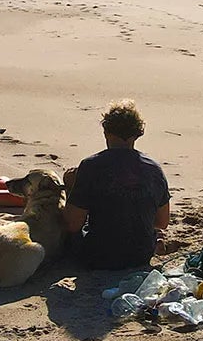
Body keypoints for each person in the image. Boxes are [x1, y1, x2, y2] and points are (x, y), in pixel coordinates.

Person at [63, 100, 171, 270]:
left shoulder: (91, 166)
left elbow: (72, 224)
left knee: (68, 231)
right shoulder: (154, 169)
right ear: (137, 134)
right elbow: (162, 222)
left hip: (97, 256)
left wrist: (70, 188)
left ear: (106, 132)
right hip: (140, 255)